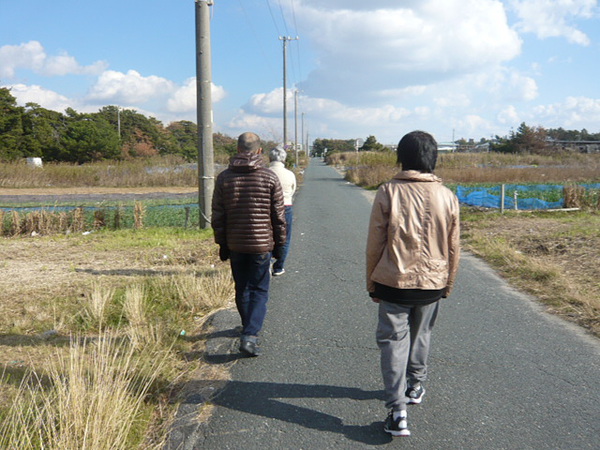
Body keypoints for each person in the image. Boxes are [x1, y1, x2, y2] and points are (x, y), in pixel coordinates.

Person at [366, 130, 460, 436]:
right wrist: (448, 283)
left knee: (394, 341)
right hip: (433, 281)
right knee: (422, 334)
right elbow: (453, 246)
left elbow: (375, 243)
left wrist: (372, 282)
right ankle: (416, 385)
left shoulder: (388, 191)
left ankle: (397, 410)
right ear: (432, 158)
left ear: (402, 157)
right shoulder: (447, 196)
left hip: (394, 281)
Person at [212, 132, 286, 357]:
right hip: (262, 245)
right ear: (259, 151)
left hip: (235, 243)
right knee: (259, 289)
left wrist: (222, 244)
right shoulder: (270, 178)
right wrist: (280, 244)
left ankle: (247, 328)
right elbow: (279, 217)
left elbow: (218, 215)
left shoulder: (224, 178)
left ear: (237, 149)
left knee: (242, 287)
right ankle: (250, 335)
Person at [268, 146, 297, 276]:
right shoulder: (289, 174)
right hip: (286, 206)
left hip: (267, 208)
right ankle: (278, 267)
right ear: (284, 159)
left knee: (267, 236)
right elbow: (292, 190)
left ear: (270, 158)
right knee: (284, 238)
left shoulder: (265, 172)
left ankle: (266, 263)